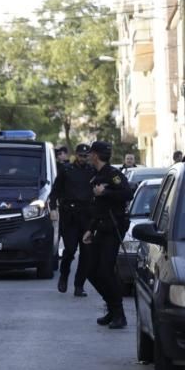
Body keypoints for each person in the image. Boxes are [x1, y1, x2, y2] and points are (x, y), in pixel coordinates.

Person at [82, 141, 132, 330]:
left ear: (95, 155)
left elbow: (127, 194)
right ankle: (111, 308)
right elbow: (98, 208)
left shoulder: (113, 174)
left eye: (90, 153)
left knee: (105, 270)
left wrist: (106, 191)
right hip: (99, 228)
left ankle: (119, 314)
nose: (88, 157)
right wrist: (90, 228)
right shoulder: (96, 175)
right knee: (91, 271)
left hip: (112, 229)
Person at [48, 143, 95, 297]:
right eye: (81, 155)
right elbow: (54, 192)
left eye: (86, 155)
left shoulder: (92, 171)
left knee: (87, 253)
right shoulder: (66, 170)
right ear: (76, 155)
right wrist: (53, 209)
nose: (83, 158)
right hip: (70, 216)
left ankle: (79, 285)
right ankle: (64, 276)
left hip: (87, 217)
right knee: (69, 250)